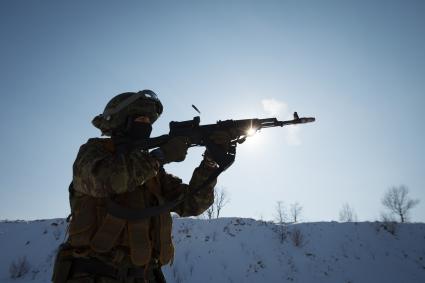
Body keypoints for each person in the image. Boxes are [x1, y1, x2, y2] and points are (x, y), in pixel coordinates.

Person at [52, 90, 230, 283]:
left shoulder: (155, 175)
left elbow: (193, 204)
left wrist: (210, 162)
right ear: (120, 121)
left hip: (146, 276)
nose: (146, 126)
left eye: (149, 121)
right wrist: (160, 156)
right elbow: (106, 180)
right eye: (141, 119)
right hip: (94, 273)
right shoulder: (94, 151)